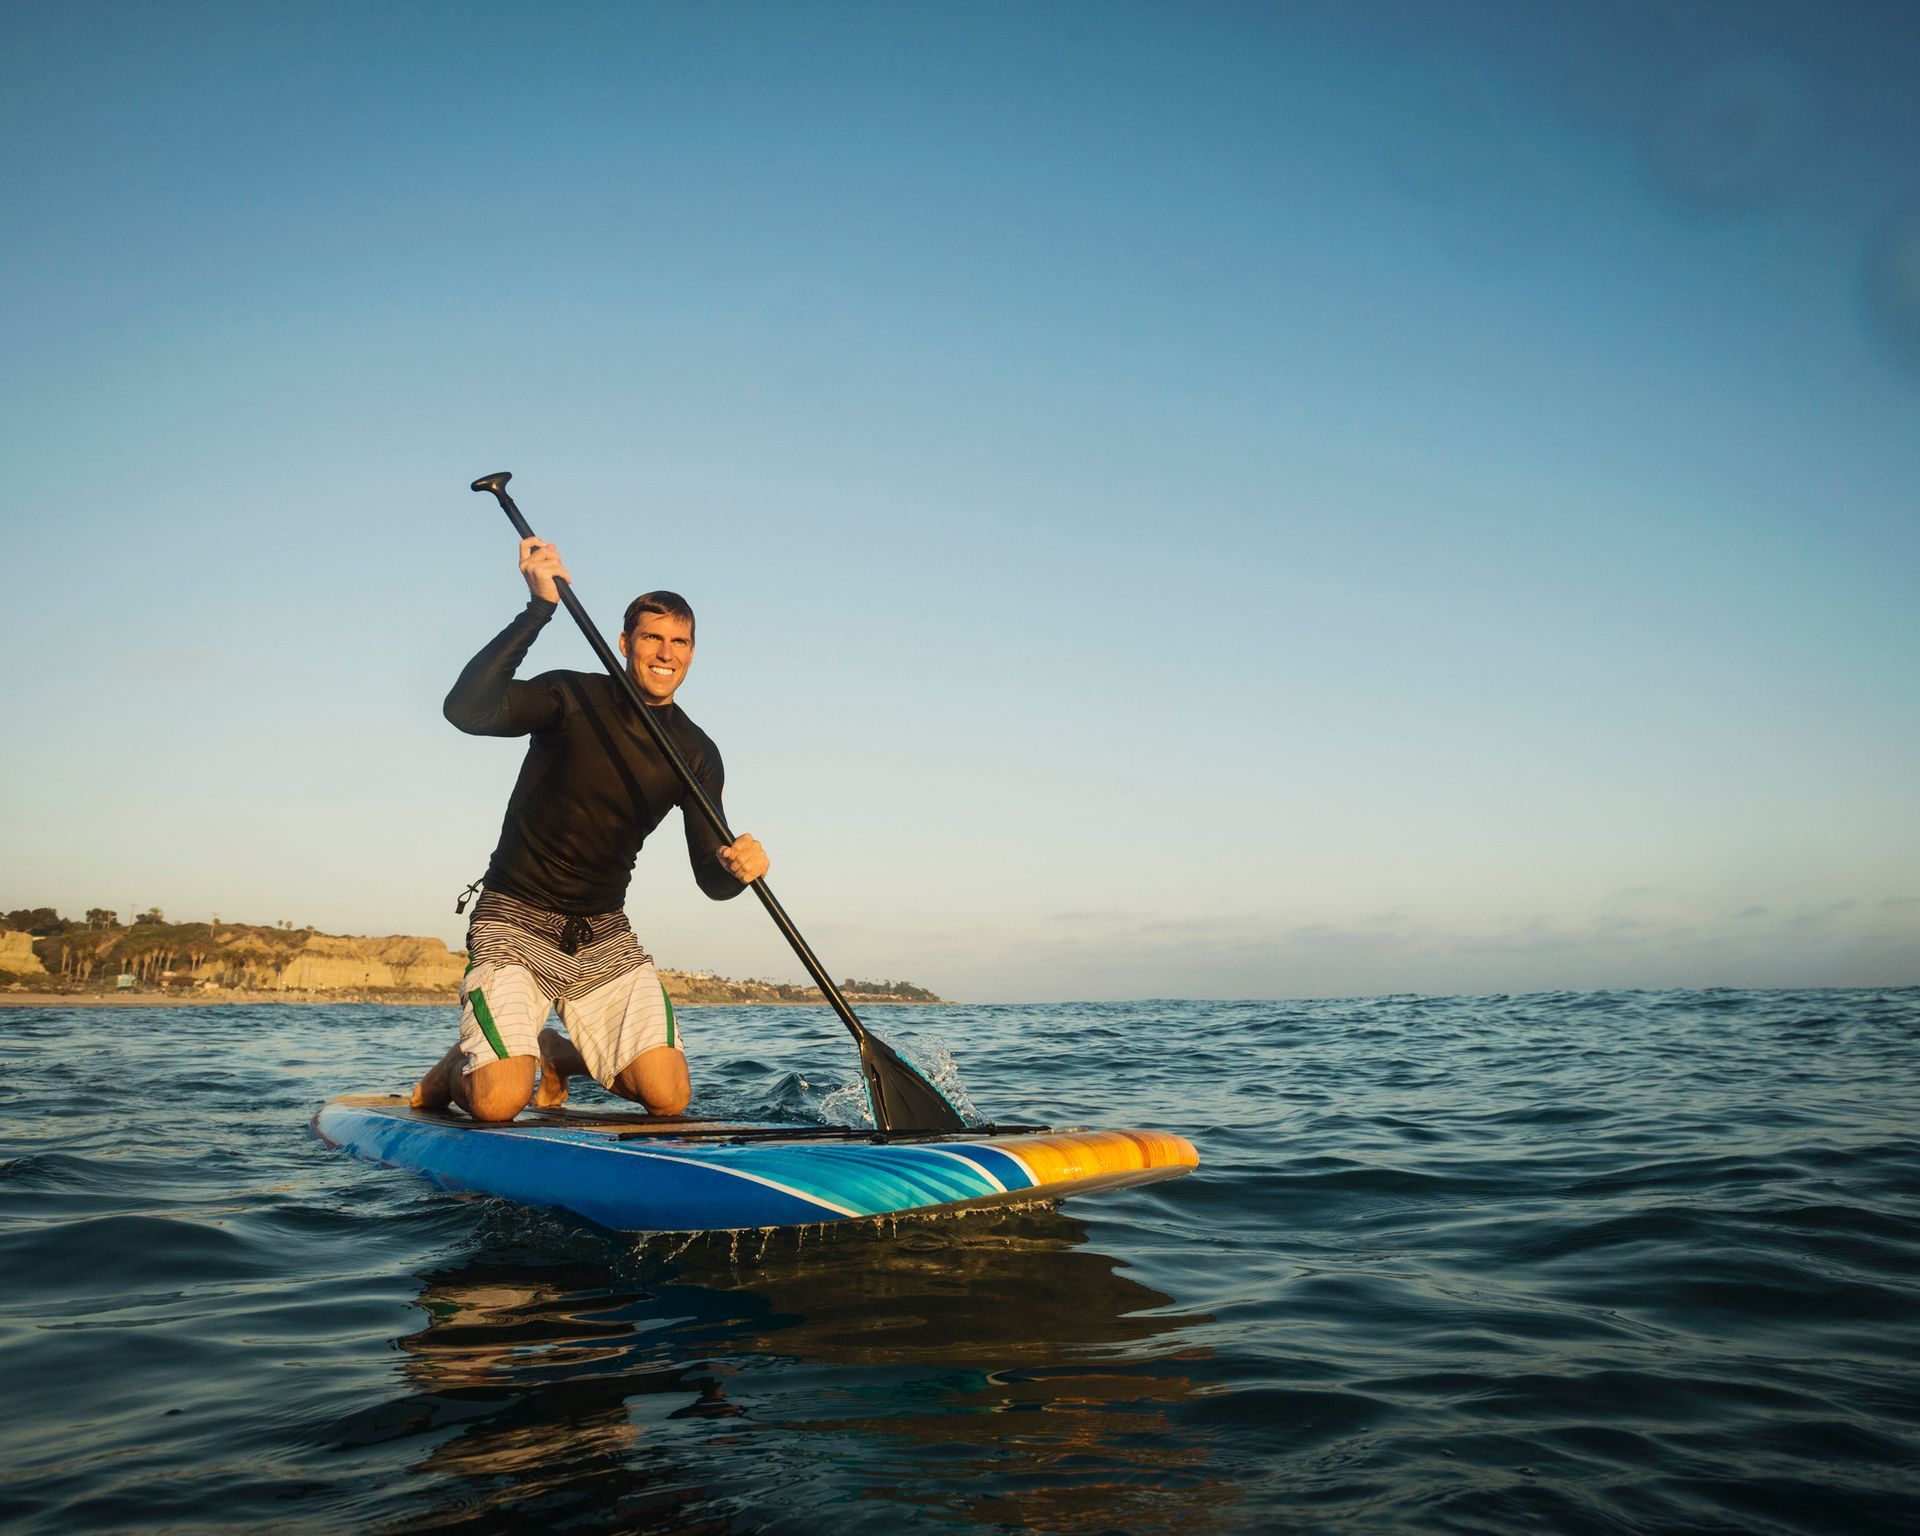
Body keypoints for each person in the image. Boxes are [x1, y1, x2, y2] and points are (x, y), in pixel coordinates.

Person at [409, 536, 769, 1123]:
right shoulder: (571, 695)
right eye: (652, 637)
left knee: (668, 1098)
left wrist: (736, 869)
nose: (665, 652)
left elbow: (712, 878)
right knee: (501, 1103)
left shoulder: (696, 752)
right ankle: (458, 1070)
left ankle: (553, 1053)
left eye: (679, 641)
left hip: (603, 936)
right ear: (625, 643)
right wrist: (539, 609)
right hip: (513, 918)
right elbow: (466, 710)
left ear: (694, 653)